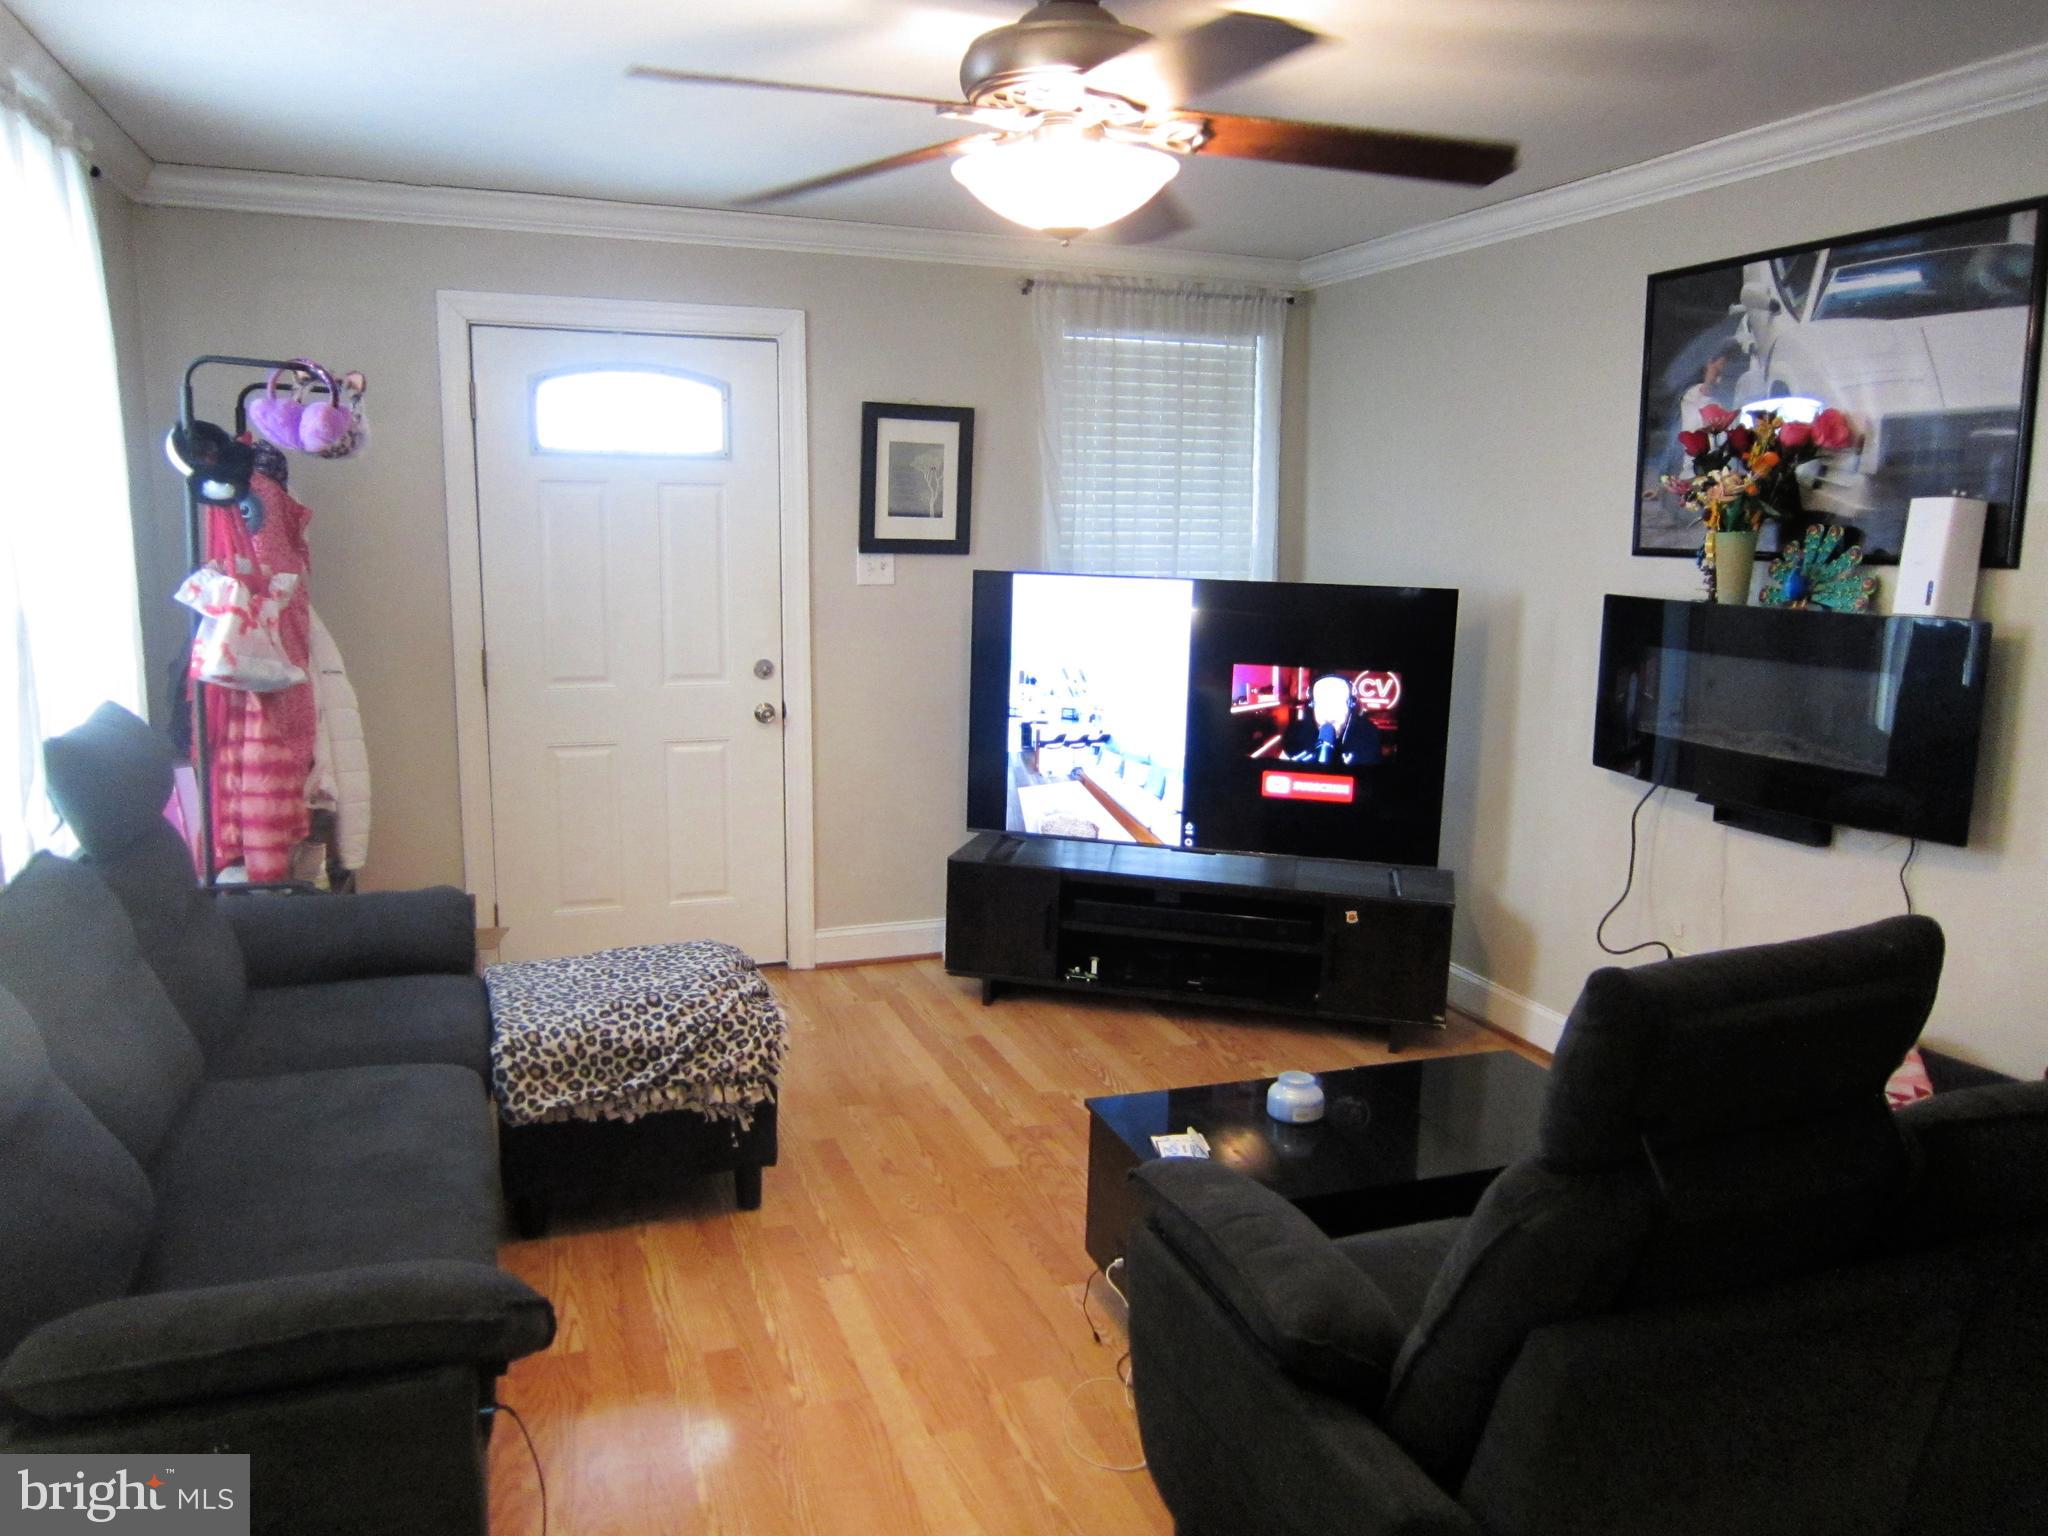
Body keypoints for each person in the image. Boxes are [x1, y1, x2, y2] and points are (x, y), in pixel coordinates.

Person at [1277, 675, 1383, 766]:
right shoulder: (1296, 733)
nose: (1329, 715)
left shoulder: (1368, 735)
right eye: (1322, 704)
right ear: (1312, 705)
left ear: (1351, 704)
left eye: (1337, 704)